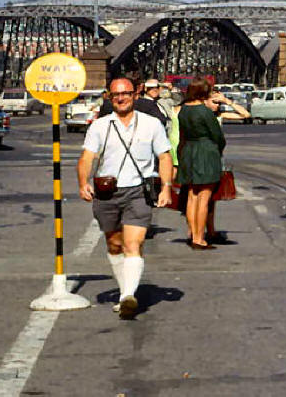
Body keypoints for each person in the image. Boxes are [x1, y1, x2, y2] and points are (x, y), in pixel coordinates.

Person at [76, 77, 172, 318]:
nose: (121, 98)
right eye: (116, 94)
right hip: (107, 192)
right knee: (114, 244)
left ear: (135, 95)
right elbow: (88, 157)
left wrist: (167, 187)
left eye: (126, 93)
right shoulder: (100, 126)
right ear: (109, 97)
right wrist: (82, 182)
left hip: (139, 191)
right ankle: (125, 290)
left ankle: (127, 296)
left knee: (133, 243)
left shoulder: (151, 124)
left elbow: (164, 157)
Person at [176, 77, 227, 250]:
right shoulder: (204, 112)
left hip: (188, 152)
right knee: (204, 198)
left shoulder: (183, 110)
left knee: (192, 196)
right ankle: (199, 238)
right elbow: (218, 137)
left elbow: (182, 136)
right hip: (205, 153)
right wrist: (218, 150)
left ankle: (192, 234)